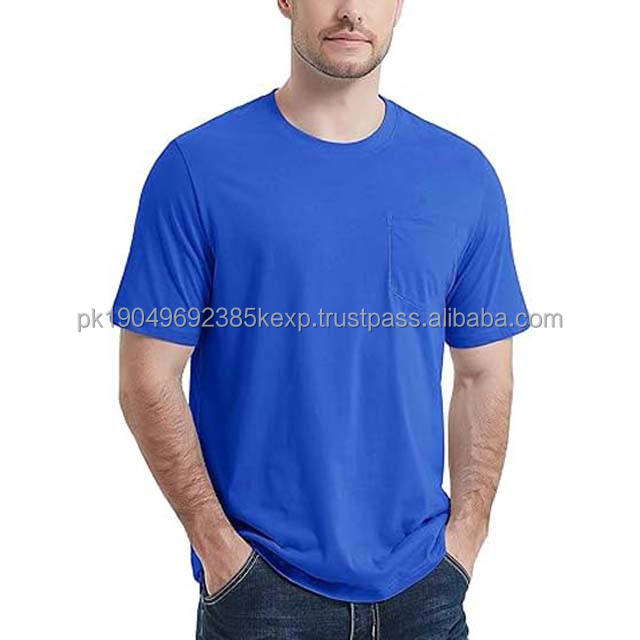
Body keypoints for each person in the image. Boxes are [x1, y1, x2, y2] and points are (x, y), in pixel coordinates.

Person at [113, 1, 529, 638]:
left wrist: (467, 536)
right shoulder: (197, 169)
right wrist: (217, 547)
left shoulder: (463, 177)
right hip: (260, 593)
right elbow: (147, 378)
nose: (351, 11)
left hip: (425, 589)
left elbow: (484, 374)